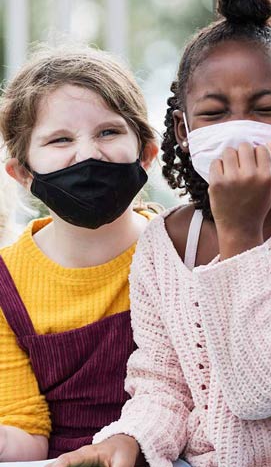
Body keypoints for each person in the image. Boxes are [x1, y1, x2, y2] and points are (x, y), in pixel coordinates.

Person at [52, 0, 271, 467]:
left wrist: (239, 233)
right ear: (183, 131)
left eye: (265, 109)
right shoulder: (165, 242)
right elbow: (162, 386)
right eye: (214, 113)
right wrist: (127, 440)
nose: (238, 130)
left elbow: (261, 389)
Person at [0, 44, 159, 461]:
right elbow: (25, 433)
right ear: (22, 173)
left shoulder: (183, 248)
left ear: (147, 152)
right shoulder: (5, 285)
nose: (88, 154)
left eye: (108, 132)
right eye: (60, 139)